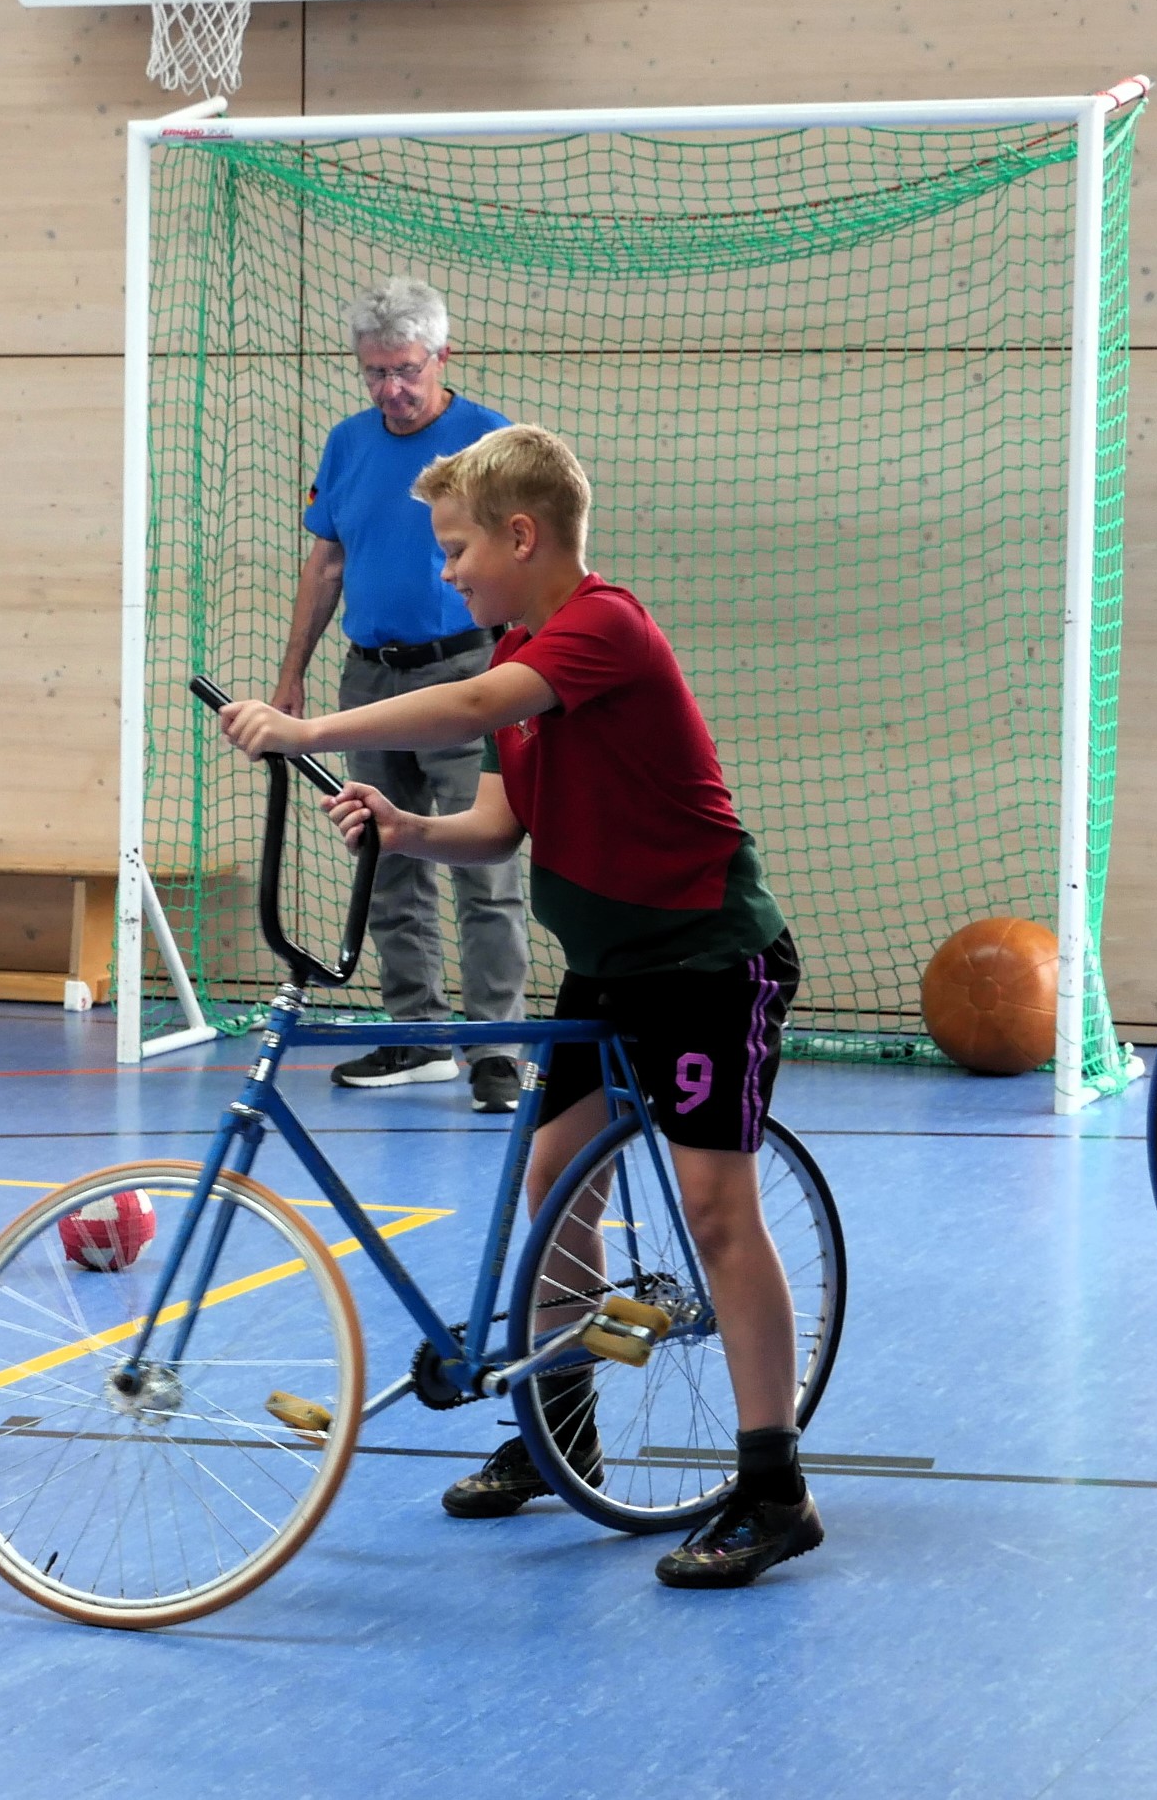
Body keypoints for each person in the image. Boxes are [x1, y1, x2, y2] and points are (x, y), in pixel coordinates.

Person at [219, 425, 820, 1589]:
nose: (445, 572)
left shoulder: (601, 626)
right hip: (606, 962)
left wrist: (306, 728)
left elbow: (460, 707)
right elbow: (496, 824)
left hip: (704, 959)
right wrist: (405, 829)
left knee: (712, 1209)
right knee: (555, 1181)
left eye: (455, 549)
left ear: (520, 535)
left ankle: (772, 1487)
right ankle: (562, 1433)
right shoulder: (517, 654)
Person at [274, 276, 529, 1110]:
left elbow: (530, 567)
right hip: (367, 676)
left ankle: (496, 1049)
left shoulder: (490, 442)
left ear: (441, 357)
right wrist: (290, 678)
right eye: (374, 372)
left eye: (405, 370)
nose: (390, 388)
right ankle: (416, 1034)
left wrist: (514, 673)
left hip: (467, 675)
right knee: (382, 856)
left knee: (481, 864)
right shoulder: (347, 444)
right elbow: (328, 563)